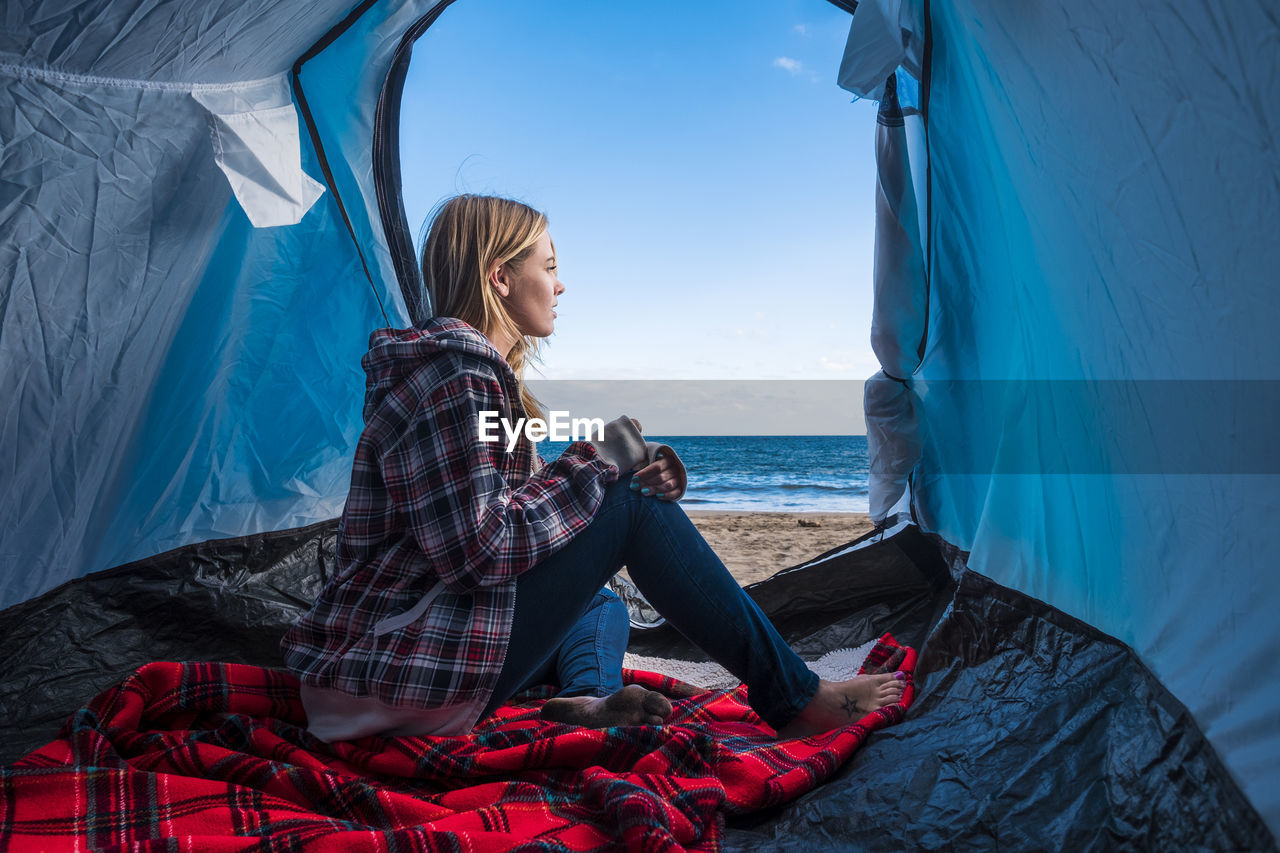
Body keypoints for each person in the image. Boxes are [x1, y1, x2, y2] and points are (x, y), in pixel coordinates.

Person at [280, 194, 905, 741]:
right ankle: (796, 699)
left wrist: (619, 472)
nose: (560, 286)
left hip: (395, 659)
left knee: (602, 604)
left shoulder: (471, 379)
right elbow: (479, 552)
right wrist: (604, 466)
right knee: (629, 504)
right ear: (500, 277)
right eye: (548, 268)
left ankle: (588, 698)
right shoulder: (456, 375)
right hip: (393, 673)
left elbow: (521, 516)